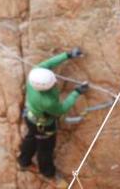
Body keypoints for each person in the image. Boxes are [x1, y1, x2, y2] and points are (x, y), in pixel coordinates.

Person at [18, 48, 88, 184]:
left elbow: (49, 63)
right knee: (45, 149)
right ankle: (47, 172)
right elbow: (61, 110)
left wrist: (67, 55)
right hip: (43, 126)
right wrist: (77, 92)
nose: (56, 81)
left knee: (31, 137)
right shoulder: (48, 101)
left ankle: (23, 161)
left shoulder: (35, 75)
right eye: (53, 82)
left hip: (30, 117)